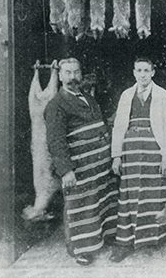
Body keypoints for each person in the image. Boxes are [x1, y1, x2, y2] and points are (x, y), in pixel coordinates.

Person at [44, 58, 119, 265]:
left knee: (100, 202)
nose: (73, 77)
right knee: (79, 206)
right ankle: (79, 250)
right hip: (80, 168)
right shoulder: (56, 105)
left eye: (76, 72)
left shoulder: (88, 98)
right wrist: (66, 171)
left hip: (99, 166)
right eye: (67, 73)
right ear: (59, 76)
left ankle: (100, 239)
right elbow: (55, 141)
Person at [109, 57, 166, 263]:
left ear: (153, 72)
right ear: (134, 72)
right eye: (139, 70)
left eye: (147, 70)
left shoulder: (163, 95)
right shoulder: (126, 95)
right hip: (131, 150)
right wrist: (116, 156)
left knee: (153, 194)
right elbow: (119, 126)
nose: (143, 74)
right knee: (129, 195)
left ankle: (156, 240)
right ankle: (125, 243)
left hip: (154, 149)